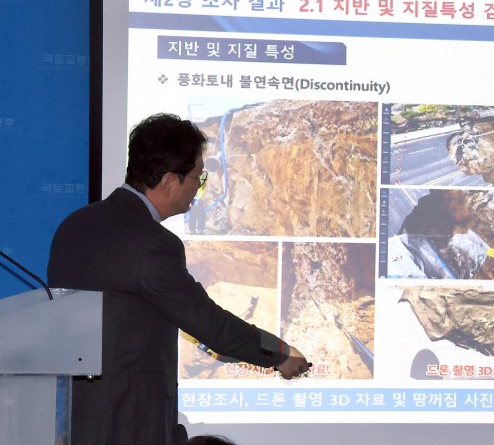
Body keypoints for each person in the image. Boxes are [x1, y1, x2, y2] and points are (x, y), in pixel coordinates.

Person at [48, 113, 309, 445]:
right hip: (129, 425)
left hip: (73, 422)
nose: (199, 188)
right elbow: (213, 327)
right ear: (170, 181)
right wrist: (281, 353)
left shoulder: (74, 226)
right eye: (198, 178)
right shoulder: (152, 244)